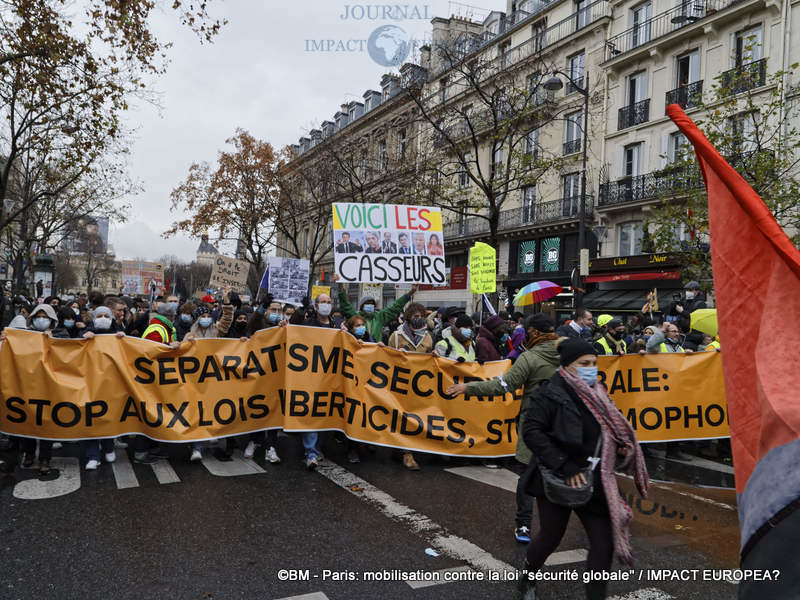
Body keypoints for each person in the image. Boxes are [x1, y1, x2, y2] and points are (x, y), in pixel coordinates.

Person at [518, 338, 649, 599]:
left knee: (604, 544)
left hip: (597, 479)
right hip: (557, 477)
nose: (591, 368)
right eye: (584, 363)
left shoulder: (599, 393)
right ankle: (528, 575)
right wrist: (565, 466)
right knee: (551, 536)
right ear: (567, 366)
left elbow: (606, 431)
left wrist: (620, 447)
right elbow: (532, 432)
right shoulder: (549, 393)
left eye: (594, 363)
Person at [447, 313, 561, 545]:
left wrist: (468, 389)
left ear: (535, 334)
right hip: (562, 426)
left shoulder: (529, 359)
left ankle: (524, 524)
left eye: (527, 333)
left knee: (528, 478)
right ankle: (556, 526)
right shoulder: (570, 356)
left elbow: (502, 386)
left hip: (535, 426)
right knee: (560, 474)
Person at [0, 304, 69, 474]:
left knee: (46, 424)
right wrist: (5, 340)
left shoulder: (61, 334)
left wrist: (53, 340)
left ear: (52, 320)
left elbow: (69, 354)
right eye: (39, 316)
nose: (42, 319)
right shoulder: (24, 336)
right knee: (29, 422)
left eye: (45, 317)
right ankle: (29, 454)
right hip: (28, 385)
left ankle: (45, 458)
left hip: (50, 387)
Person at [387, 302, 434, 471]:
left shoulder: (428, 337)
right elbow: (386, 357)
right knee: (401, 418)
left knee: (414, 418)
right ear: (408, 317)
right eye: (415, 316)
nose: (418, 318)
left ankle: (404, 449)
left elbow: (431, 358)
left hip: (419, 385)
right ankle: (405, 452)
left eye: (421, 316)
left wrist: (434, 356)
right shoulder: (396, 336)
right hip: (400, 383)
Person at [335, 275, 417, 342]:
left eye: (372, 304)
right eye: (367, 304)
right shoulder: (356, 317)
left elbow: (395, 306)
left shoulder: (379, 317)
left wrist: (411, 292)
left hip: (375, 352)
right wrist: (340, 285)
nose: (370, 306)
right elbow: (345, 305)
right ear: (362, 306)